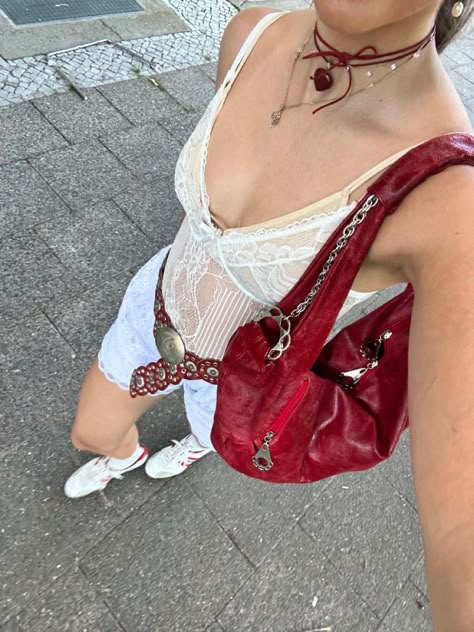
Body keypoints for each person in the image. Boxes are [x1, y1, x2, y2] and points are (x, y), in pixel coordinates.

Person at [64, 1, 474, 628]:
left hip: (240, 381)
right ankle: (125, 457)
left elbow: (460, 533)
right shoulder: (250, 32)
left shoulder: (445, 197)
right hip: (151, 303)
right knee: (90, 432)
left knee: (209, 432)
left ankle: (198, 445)